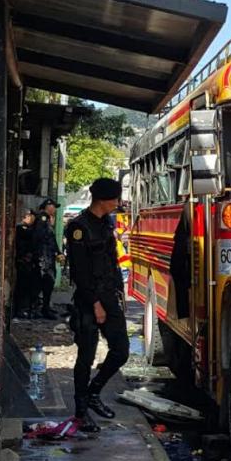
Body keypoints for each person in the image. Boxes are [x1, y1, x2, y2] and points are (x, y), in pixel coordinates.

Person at [64, 178, 129, 432]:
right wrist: (95, 304)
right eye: (115, 198)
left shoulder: (106, 224)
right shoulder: (78, 227)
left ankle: (93, 393)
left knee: (121, 351)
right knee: (86, 356)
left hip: (110, 296)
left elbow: (112, 263)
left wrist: (117, 296)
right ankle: (80, 411)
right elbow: (79, 273)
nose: (118, 203)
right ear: (103, 199)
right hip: (88, 300)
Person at [32, 198, 63, 319]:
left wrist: (58, 252)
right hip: (43, 258)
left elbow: (51, 240)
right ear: (48, 206)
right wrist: (39, 255)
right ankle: (39, 309)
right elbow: (38, 238)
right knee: (44, 283)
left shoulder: (47, 220)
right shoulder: (42, 218)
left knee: (47, 283)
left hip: (47, 256)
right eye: (54, 207)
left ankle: (45, 307)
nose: (55, 209)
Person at [14, 210, 38, 319]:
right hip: (22, 262)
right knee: (22, 288)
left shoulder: (30, 229)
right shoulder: (21, 228)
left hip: (29, 263)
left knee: (29, 288)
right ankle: (20, 309)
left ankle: (26, 309)